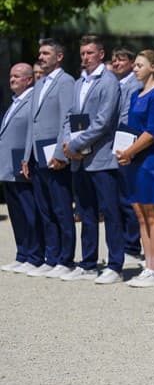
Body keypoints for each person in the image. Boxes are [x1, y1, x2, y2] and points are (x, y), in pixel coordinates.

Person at [61, 35, 125, 285]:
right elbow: (70, 116)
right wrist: (68, 143)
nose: (85, 57)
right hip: (79, 158)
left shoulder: (108, 82)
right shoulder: (79, 83)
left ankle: (115, 264)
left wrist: (76, 144)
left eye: (90, 53)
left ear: (101, 54)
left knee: (109, 211)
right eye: (83, 53)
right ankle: (88, 263)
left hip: (101, 157)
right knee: (85, 211)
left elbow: (104, 121)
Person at [22, 38, 77, 278]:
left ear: (59, 57)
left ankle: (65, 259)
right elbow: (31, 125)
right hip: (37, 156)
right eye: (40, 53)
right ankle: (51, 257)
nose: (41, 57)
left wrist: (60, 154)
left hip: (55, 156)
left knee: (61, 208)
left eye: (46, 53)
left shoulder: (66, 82)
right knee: (45, 209)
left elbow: (67, 118)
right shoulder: (40, 83)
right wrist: (26, 157)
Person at [115, 50, 154, 287]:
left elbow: (152, 131)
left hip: (152, 161)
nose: (135, 68)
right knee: (139, 213)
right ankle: (148, 265)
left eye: (139, 65)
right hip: (135, 160)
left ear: (153, 67)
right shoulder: (136, 94)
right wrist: (124, 150)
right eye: (135, 65)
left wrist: (130, 151)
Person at [1, 63, 44, 274]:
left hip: (22, 163)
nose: (12, 79)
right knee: (16, 213)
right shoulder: (14, 102)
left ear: (29, 80)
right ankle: (22, 253)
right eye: (11, 76)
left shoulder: (32, 99)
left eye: (17, 76)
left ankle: (35, 255)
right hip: (7, 166)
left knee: (29, 211)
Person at [111, 46, 143, 265]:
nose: (116, 64)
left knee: (129, 199)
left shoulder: (136, 84)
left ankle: (132, 245)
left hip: (129, 145)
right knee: (118, 198)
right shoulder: (115, 83)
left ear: (131, 63)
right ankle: (122, 243)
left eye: (121, 60)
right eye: (114, 60)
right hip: (114, 145)